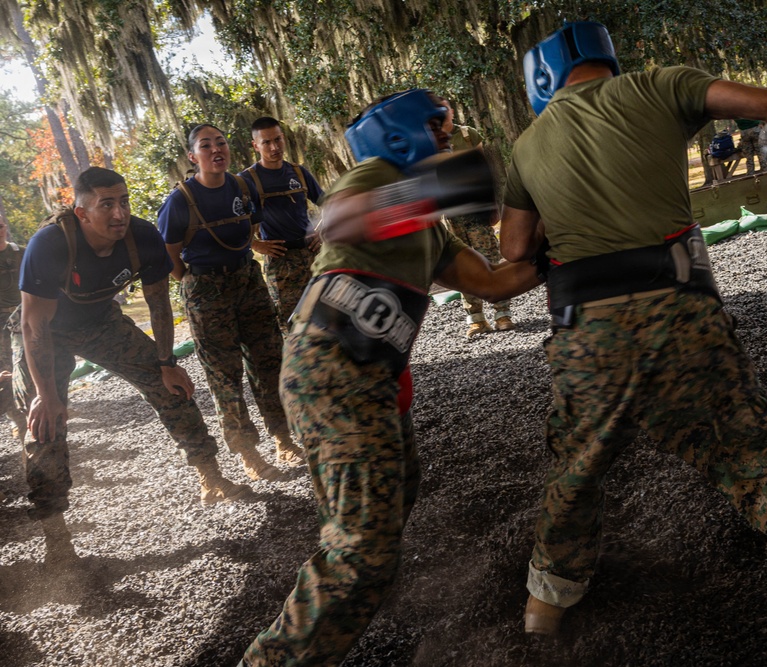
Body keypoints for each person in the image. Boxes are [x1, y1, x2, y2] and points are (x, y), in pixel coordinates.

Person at [499, 22, 767, 651]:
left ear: (542, 78)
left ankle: (543, 613)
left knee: (578, 469)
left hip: (585, 327)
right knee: (750, 450)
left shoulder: (528, 143)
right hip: (678, 306)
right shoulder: (660, 85)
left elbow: (514, 248)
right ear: (606, 58)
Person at [239, 89, 543, 666]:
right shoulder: (374, 175)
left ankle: (327, 605)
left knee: (394, 495)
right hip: (333, 370)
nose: (447, 134)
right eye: (436, 125)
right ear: (398, 134)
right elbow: (337, 219)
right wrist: (439, 188)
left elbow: (494, 282)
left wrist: (561, 240)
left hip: (369, 377)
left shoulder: (430, 228)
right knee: (364, 554)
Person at [15, 167, 254, 566]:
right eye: (106, 204)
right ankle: (57, 540)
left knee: (171, 385)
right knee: (44, 424)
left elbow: (159, 303)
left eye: (124, 202)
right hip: (47, 334)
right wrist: (46, 395)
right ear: (81, 213)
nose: (119, 213)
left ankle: (211, 477)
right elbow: (32, 326)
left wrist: (166, 362)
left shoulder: (142, 237)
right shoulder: (49, 244)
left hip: (101, 322)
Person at [157, 123, 305, 476]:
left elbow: (250, 229)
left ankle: (283, 438)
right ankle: (248, 454)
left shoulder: (241, 186)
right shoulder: (180, 200)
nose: (216, 150)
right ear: (193, 157)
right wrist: (197, 281)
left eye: (221, 142)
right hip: (206, 291)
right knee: (225, 376)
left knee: (269, 361)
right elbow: (170, 257)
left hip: (248, 281)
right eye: (206, 145)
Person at [239, 116, 325, 333]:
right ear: (255, 145)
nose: (274, 147)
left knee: (327, 317)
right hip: (280, 261)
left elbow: (331, 204)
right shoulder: (246, 180)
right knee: (293, 323)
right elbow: (233, 223)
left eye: (277, 139)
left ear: (284, 138)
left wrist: (323, 230)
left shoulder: (299, 172)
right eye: (266, 142)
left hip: (313, 255)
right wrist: (255, 244)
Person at [440, 98, 516, 338]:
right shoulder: (428, 141)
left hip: (477, 211)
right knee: (461, 265)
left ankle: (502, 315)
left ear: (452, 111)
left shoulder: (467, 135)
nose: (441, 113)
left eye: (444, 109)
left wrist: (492, 205)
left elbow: (484, 172)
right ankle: (477, 320)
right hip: (451, 216)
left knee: (490, 259)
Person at [0, 213, 27, 442]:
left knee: (40, 358)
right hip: (1, 321)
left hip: (24, 315)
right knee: (7, 368)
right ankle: (18, 420)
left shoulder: (21, 253)